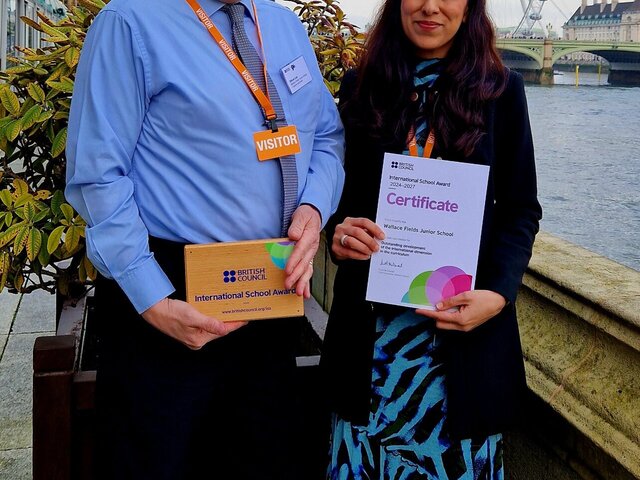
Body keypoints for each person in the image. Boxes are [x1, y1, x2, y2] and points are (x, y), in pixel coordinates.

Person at [65, 0, 344, 478]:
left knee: (261, 459)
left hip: (269, 287)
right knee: (157, 460)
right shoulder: (130, 22)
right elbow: (97, 175)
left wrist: (313, 207)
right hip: (169, 292)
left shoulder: (282, 25)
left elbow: (326, 138)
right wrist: (153, 300)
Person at [320, 0, 542, 477]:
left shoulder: (502, 92)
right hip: (369, 349)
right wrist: (338, 231)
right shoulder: (362, 88)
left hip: (460, 356)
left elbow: (521, 210)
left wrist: (499, 295)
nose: (430, 7)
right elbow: (339, 193)